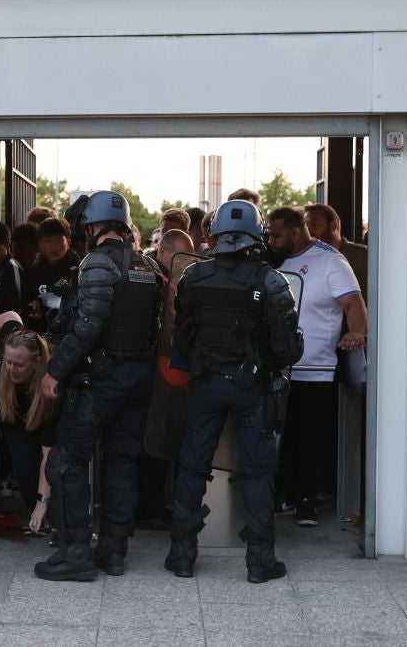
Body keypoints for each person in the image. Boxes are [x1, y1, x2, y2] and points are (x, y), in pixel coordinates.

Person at [165, 200, 303, 583]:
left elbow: (185, 333)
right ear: (255, 236)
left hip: (206, 384)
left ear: (217, 234)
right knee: (257, 473)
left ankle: (182, 556)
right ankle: (260, 562)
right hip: (251, 386)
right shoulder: (272, 281)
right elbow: (287, 349)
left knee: (192, 467)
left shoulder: (194, 277)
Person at [34, 190, 163, 581]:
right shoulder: (147, 266)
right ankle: (114, 553)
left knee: (67, 460)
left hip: (101, 379)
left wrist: (55, 371)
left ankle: (75, 554)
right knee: (122, 463)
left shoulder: (97, 264)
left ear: (93, 227)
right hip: (138, 378)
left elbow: (88, 324)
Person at [267, 206, 366, 526]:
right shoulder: (277, 261)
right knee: (285, 435)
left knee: (311, 436)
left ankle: (306, 500)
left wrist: (357, 333)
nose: (271, 239)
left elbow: (353, 302)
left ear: (295, 232)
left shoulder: (331, 260)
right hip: (280, 367)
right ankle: (284, 493)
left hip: (317, 367)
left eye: (276, 233)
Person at [0, 326, 58, 527]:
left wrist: (42, 502)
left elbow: (48, 455)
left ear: (36, 363)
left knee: (45, 469)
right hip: (14, 420)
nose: (11, 369)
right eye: (8, 362)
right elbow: (9, 316)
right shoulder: (8, 362)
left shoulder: (49, 391)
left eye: (19, 365)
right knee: (23, 470)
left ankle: (47, 512)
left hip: (41, 421)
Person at [23, 217, 78, 335]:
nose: (53, 246)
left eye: (58, 240)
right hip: (42, 334)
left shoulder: (79, 269)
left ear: (68, 242)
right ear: (40, 244)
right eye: (48, 241)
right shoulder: (33, 273)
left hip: (72, 332)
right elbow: (28, 300)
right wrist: (35, 306)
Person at [304, 203, 368, 297]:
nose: (309, 231)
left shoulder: (363, 256)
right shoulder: (305, 259)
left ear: (333, 225)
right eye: (305, 227)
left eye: (315, 224)